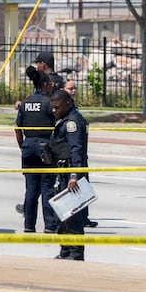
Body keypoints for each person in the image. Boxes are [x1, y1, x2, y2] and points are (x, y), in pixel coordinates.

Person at [15, 66, 57, 233]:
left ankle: (29, 225)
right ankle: (49, 225)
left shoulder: (25, 104)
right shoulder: (49, 103)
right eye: (51, 84)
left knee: (31, 189)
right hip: (45, 147)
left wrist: (23, 147)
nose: (52, 86)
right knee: (47, 187)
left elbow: (17, 128)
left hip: (28, 146)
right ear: (45, 84)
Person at [48, 89, 89, 260]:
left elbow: (76, 150)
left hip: (71, 174)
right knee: (61, 214)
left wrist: (74, 175)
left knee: (72, 215)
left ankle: (75, 252)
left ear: (67, 103)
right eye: (53, 108)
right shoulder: (66, 118)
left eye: (57, 108)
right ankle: (65, 250)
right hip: (62, 171)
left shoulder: (72, 122)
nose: (54, 111)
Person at [63, 79, 98, 228]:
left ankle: (84, 217)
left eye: (75, 88)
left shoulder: (74, 108)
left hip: (82, 153)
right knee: (75, 186)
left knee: (84, 186)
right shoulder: (64, 110)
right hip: (73, 153)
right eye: (70, 89)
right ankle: (74, 218)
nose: (73, 91)